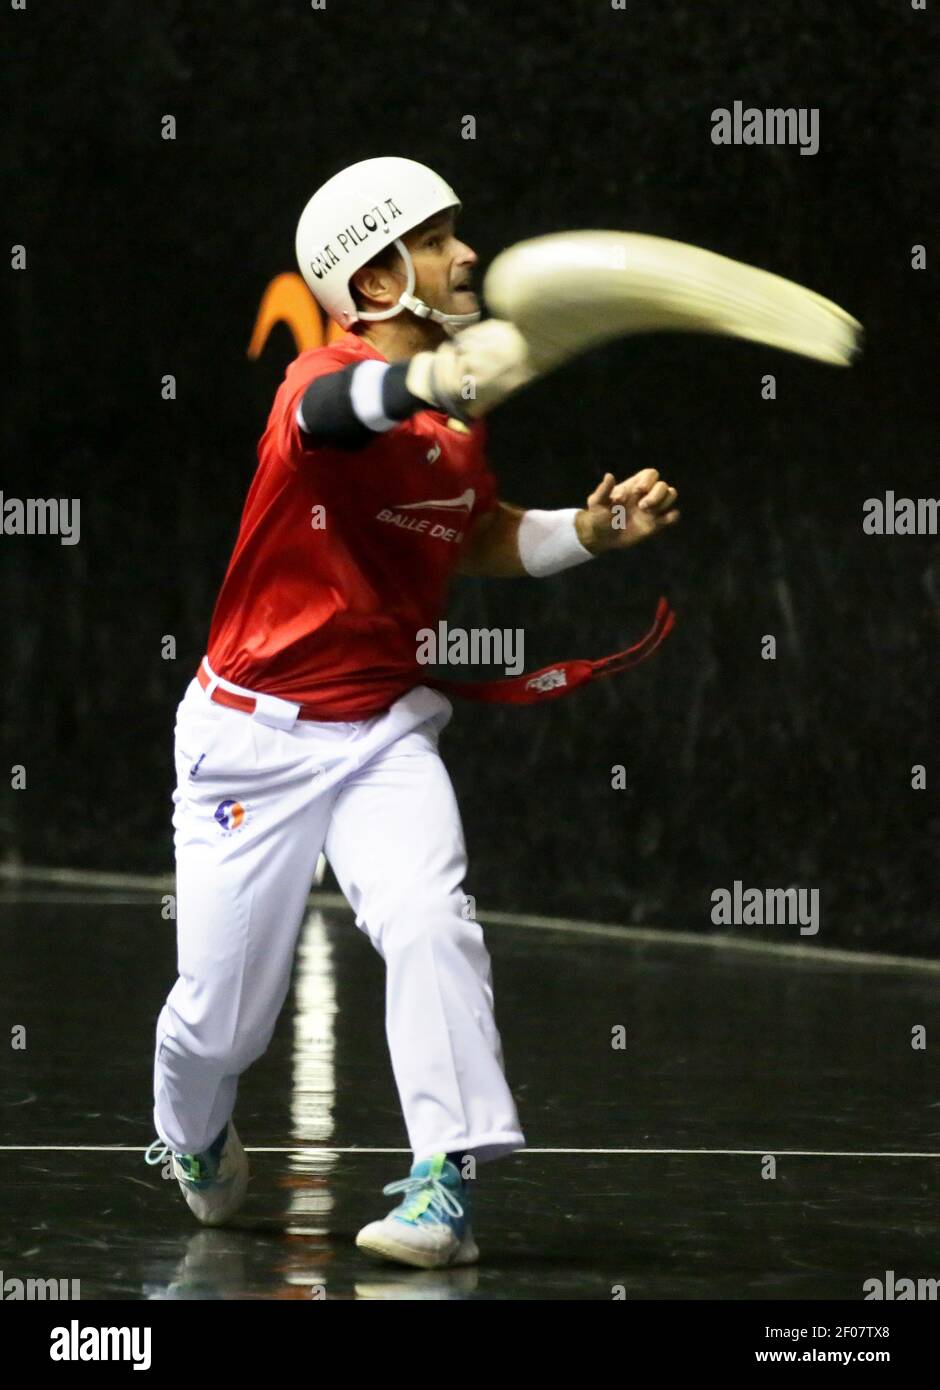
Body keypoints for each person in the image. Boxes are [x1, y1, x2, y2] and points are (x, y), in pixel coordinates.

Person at [145, 156, 679, 1270]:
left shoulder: (455, 420)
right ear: (375, 276)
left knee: (432, 921)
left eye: (457, 234)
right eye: (439, 239)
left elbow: (470, 531)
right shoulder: (320, 386)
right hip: (252, 739)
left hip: (383, 728)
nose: (467, 254)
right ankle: (188, 1137)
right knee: (221, 1020)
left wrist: (588, 534)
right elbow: (343, 414)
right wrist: (425, 383)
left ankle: (444, 1185)